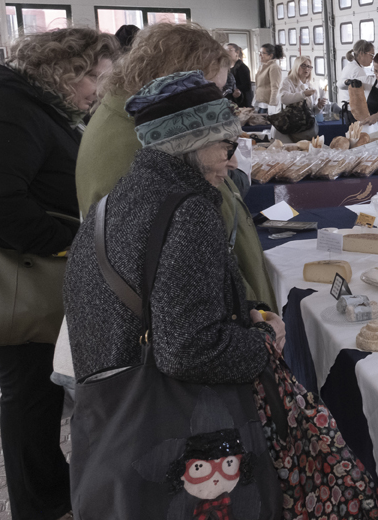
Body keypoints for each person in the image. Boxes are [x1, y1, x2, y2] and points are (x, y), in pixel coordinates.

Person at [64, 72, 378, 520]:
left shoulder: (118, 199)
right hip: (179, 424)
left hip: (120, 411)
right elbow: (188, 348)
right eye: (225, 144)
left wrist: (242, 316)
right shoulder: (187, 212)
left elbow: (145, 307)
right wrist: (259, 341)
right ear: (191, 144)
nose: (233, 158)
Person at [0, 27, 120, 520]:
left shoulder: (28, 102)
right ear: (71, 72)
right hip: (22, 279)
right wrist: (68, 243)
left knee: (38, 391)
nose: (98, 93)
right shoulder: (10, 106)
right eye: (96, 80)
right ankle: (40, 509)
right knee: (29, 392)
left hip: (34, 273)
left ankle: (47, 494)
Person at [76, 22, 278, 312]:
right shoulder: (137, 143)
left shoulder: (137, 123)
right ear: (176, 81)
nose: (217, 106)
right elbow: (176, 268)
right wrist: (248, 316)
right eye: (213, 92)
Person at [272, 57, 323, 143]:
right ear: (296, 66)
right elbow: (283, 98)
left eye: (309, 66)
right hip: (286, 128)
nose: (306, 69)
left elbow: (310, 111)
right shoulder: (287, 81)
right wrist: (303, 94)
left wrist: (318, 107)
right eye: (303, 66)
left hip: (302, 130)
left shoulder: (310, 86)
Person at [338, 40, 375, 124]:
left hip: (348, 111)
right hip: (355, 112)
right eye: (371, 55)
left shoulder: (350, 65)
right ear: (362, 53)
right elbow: (365, 93)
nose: (372, 58)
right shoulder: (357, 70)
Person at [253, 43, 284, 112]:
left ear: (270, 55)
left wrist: (272, 105)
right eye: (260, 52)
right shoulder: (263, 66)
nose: (260, 55)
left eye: (262, 53)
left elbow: (275, 87)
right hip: (261, 102)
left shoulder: (274, 67)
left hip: (267, 104)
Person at [226, 43, 254, 108]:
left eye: (229, 50)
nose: (227, 53)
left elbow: (246, 86)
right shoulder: (229, 67)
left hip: (242, 102)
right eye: (225, 50)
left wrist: (233, 89)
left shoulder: (242, 68)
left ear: (237, 52)